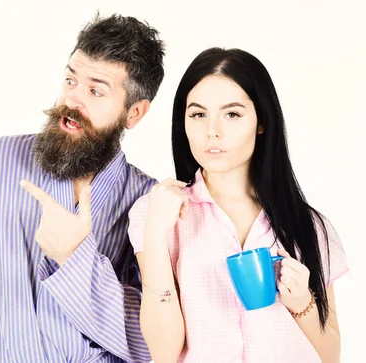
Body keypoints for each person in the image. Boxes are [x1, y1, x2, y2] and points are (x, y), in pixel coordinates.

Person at [0, 13, 165, 363]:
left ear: (134, 113)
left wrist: (74, 262)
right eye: (70, 80)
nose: (73, 100)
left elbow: (153, 345)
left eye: (95, 90)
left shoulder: (149, 203)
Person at [128, 47, 349, 363]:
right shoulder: (156, 212)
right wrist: (154, 236)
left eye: (232, 114)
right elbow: (163, 353)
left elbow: (331, 356)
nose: (212, 131)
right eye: (198, 114)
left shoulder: (309, 225)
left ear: (261, 121)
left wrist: (302, 302)